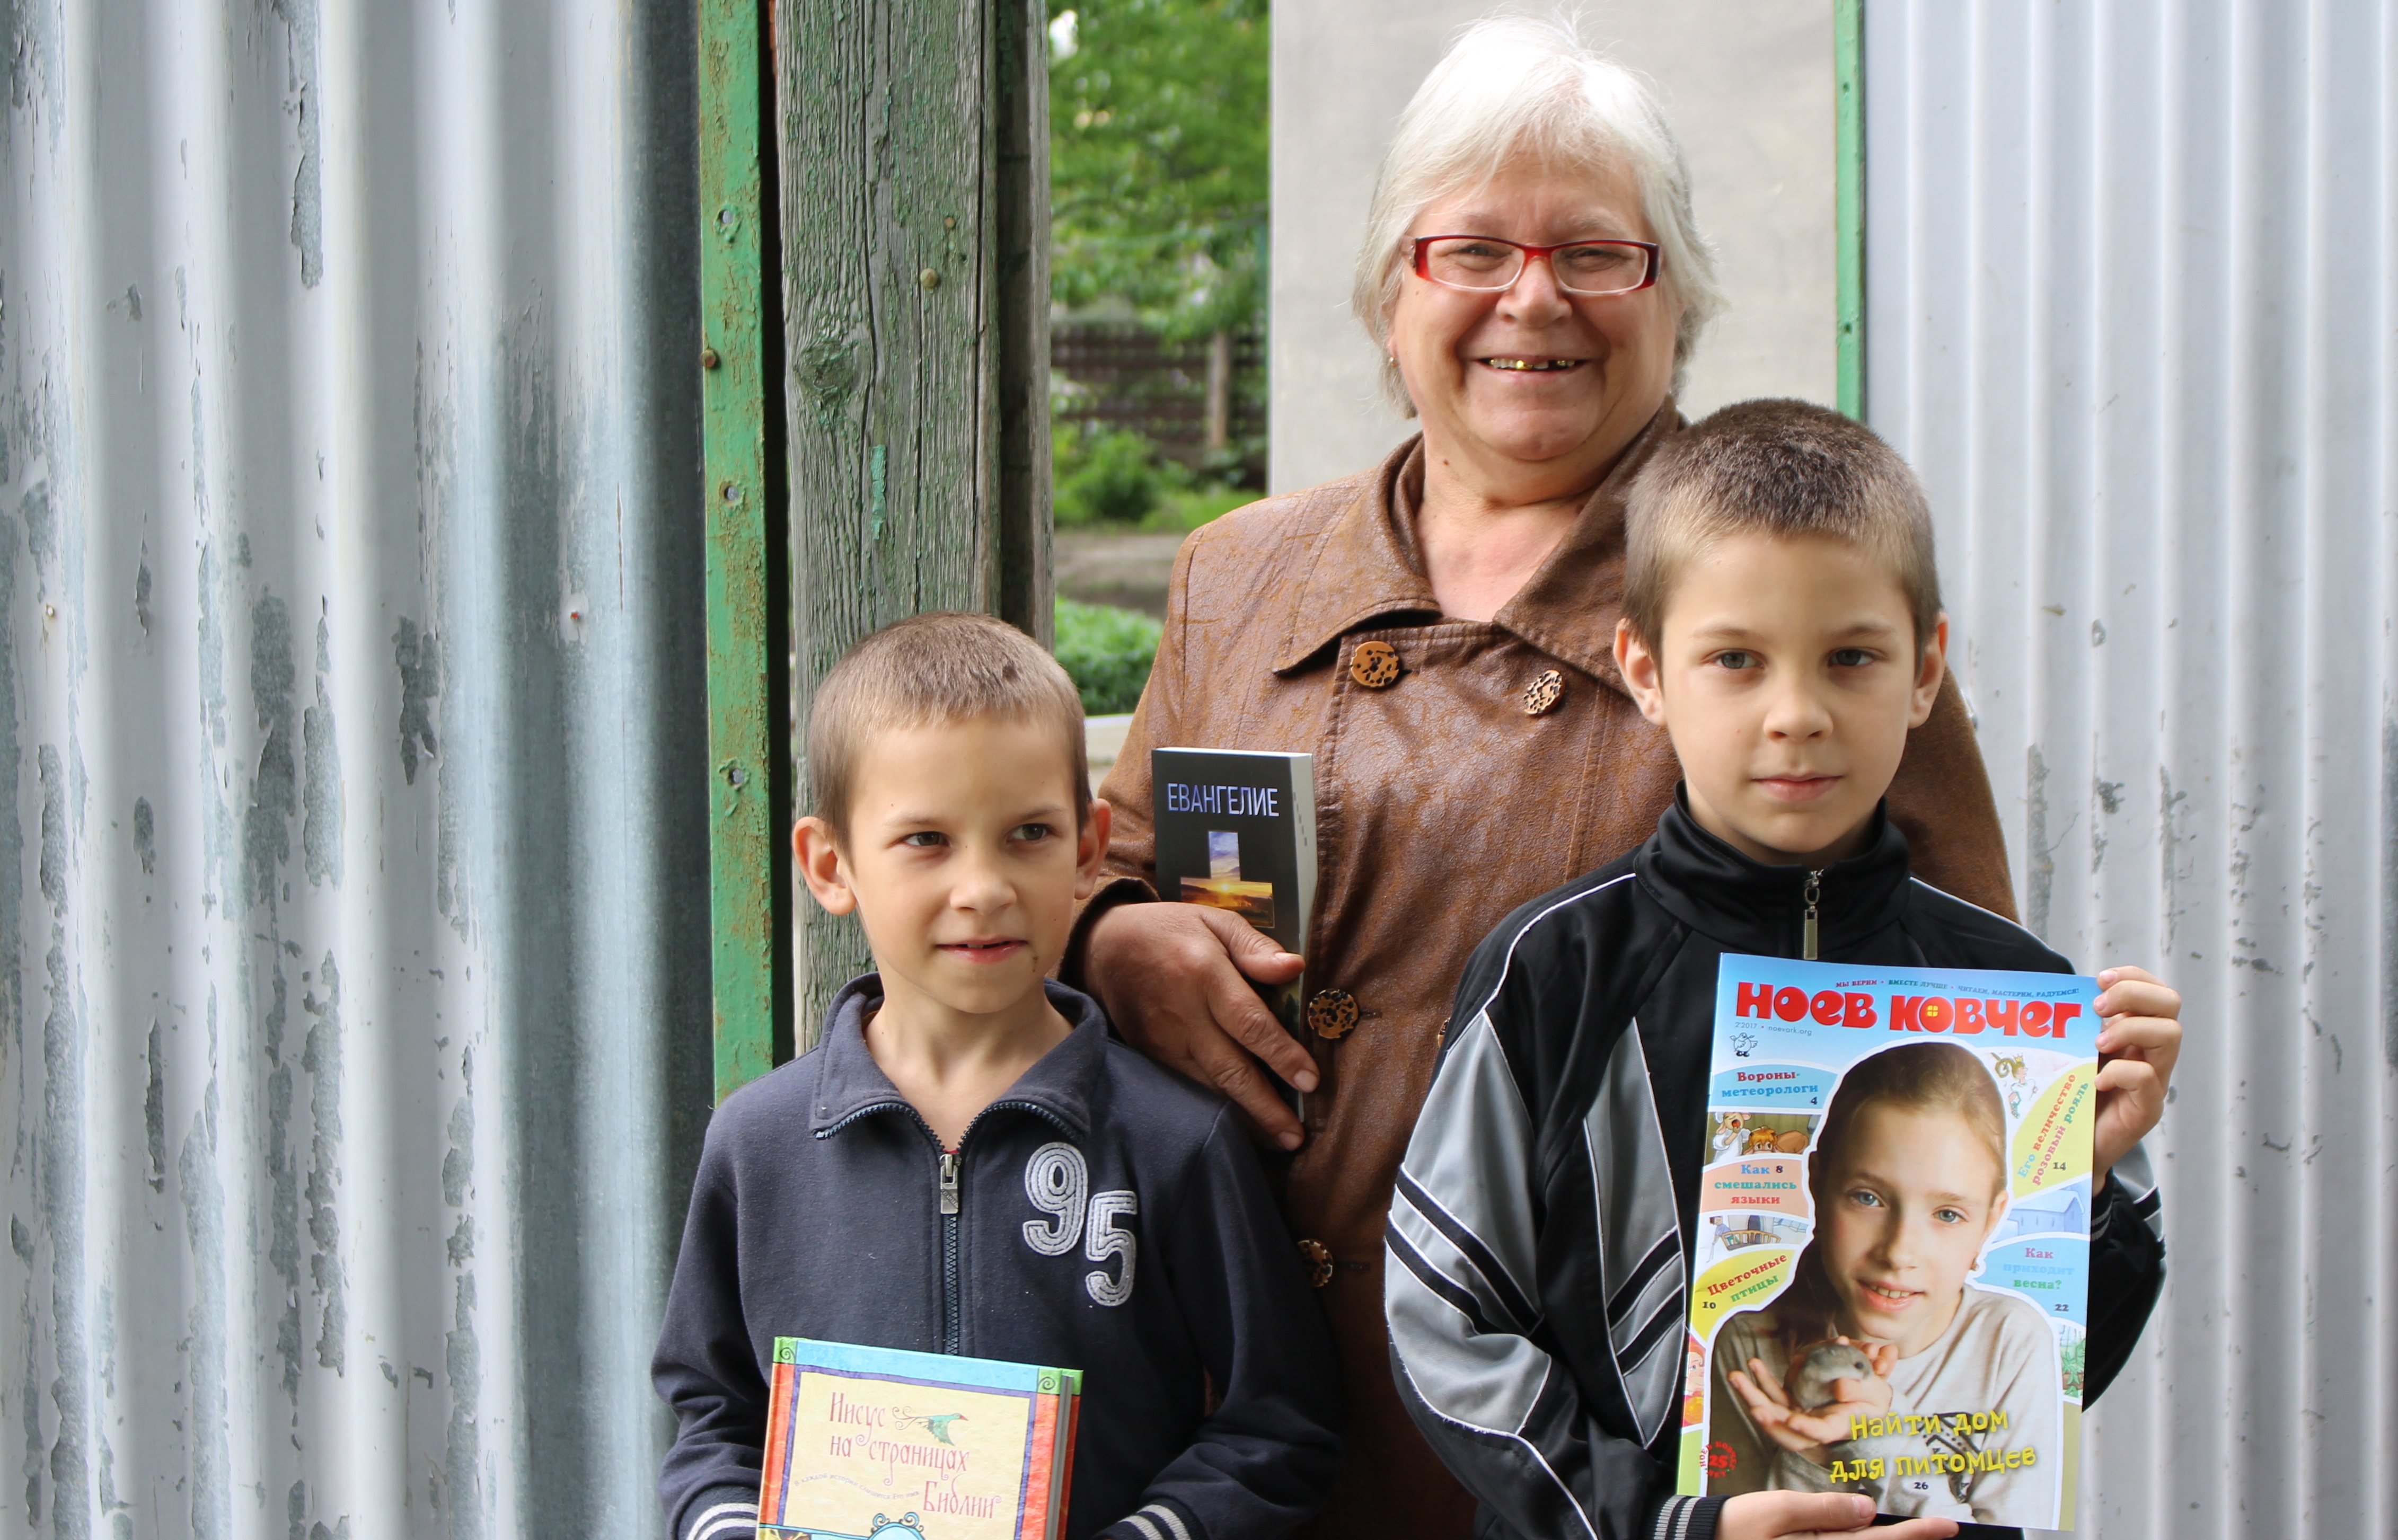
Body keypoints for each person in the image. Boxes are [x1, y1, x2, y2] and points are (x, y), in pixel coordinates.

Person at [1066, 19, 2030, 1536]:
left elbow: (1963, 1024)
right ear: (1394, 294)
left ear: (1676, 302)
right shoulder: (1240, 572)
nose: (1534, 299)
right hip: (1229, 1410)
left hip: (1602, 1453)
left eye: (1597, 255)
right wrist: (1109, 937)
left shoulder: (1787, 606)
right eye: (1471, 252)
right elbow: (1101, 859)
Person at [1383, 401, 2177, 1540]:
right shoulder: (1552, 973)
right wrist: (1661, 1523)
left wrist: (2083, 1191)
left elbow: (2052, 1371)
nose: (1796, 715)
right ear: (1647, 671)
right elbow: (1443, 1313)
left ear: (1924, 670)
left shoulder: (2016, 993)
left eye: (1851, 657)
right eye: (1735, 661)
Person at [652, 614, 1343, 1540]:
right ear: (829, 863)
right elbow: (713, 1410)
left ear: (1089, 848)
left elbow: (1278, 1419)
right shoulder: (757, 1141)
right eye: (926, 841)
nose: (982, 886)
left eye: (1026, 833)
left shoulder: (1178, 1141)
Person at [1708, 1042, 2061, 1526]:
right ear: (1817, 1182)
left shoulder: (2012, 1343)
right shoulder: (1749, 1349)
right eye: (1868, 1198)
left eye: (1948, 1214)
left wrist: (1880, 1435)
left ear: (1992, 1221)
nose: (1898, 1252)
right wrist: (1816, 1449)